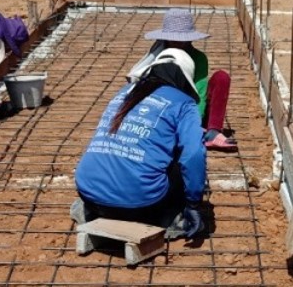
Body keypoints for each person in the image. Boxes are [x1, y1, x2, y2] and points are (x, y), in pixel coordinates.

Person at [73, 48, 207, 240]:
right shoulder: (184, 104)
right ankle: (171, 218)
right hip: (142, 207)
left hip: (89, 194)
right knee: (181, 160)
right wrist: (194, 204)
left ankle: (92, 211)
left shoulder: (123, 93)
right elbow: (194, 155)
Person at [127, 9, 236, 152]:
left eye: (182, 39)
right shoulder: (158, 56)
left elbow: (200, 94)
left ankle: (212, 133)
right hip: (162, 112)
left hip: (192, 112)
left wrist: (193, 126)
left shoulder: (199, 58)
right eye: (174, 38)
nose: (179, 42)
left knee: (221, 77)